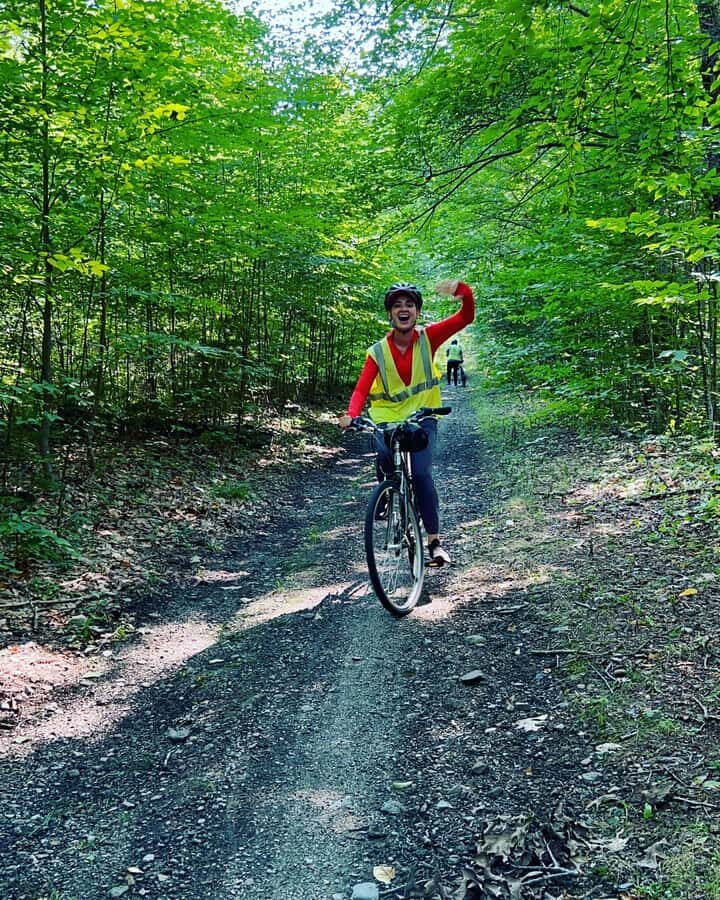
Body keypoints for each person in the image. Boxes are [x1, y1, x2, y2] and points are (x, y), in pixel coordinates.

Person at [338, 279, 474, 566]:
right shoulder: (377, 351)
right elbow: (361, 388)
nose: (403, 309)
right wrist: (351, 414)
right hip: (386, 418)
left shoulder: (429, 337)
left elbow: (466, 317)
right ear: (390, 313)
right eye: (397, 305)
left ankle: (434, 542)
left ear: (417, 312)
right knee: (385, 456)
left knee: (422, 474)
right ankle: (387, 490)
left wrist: (463, 290)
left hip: (422, 416)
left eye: (409, 304)